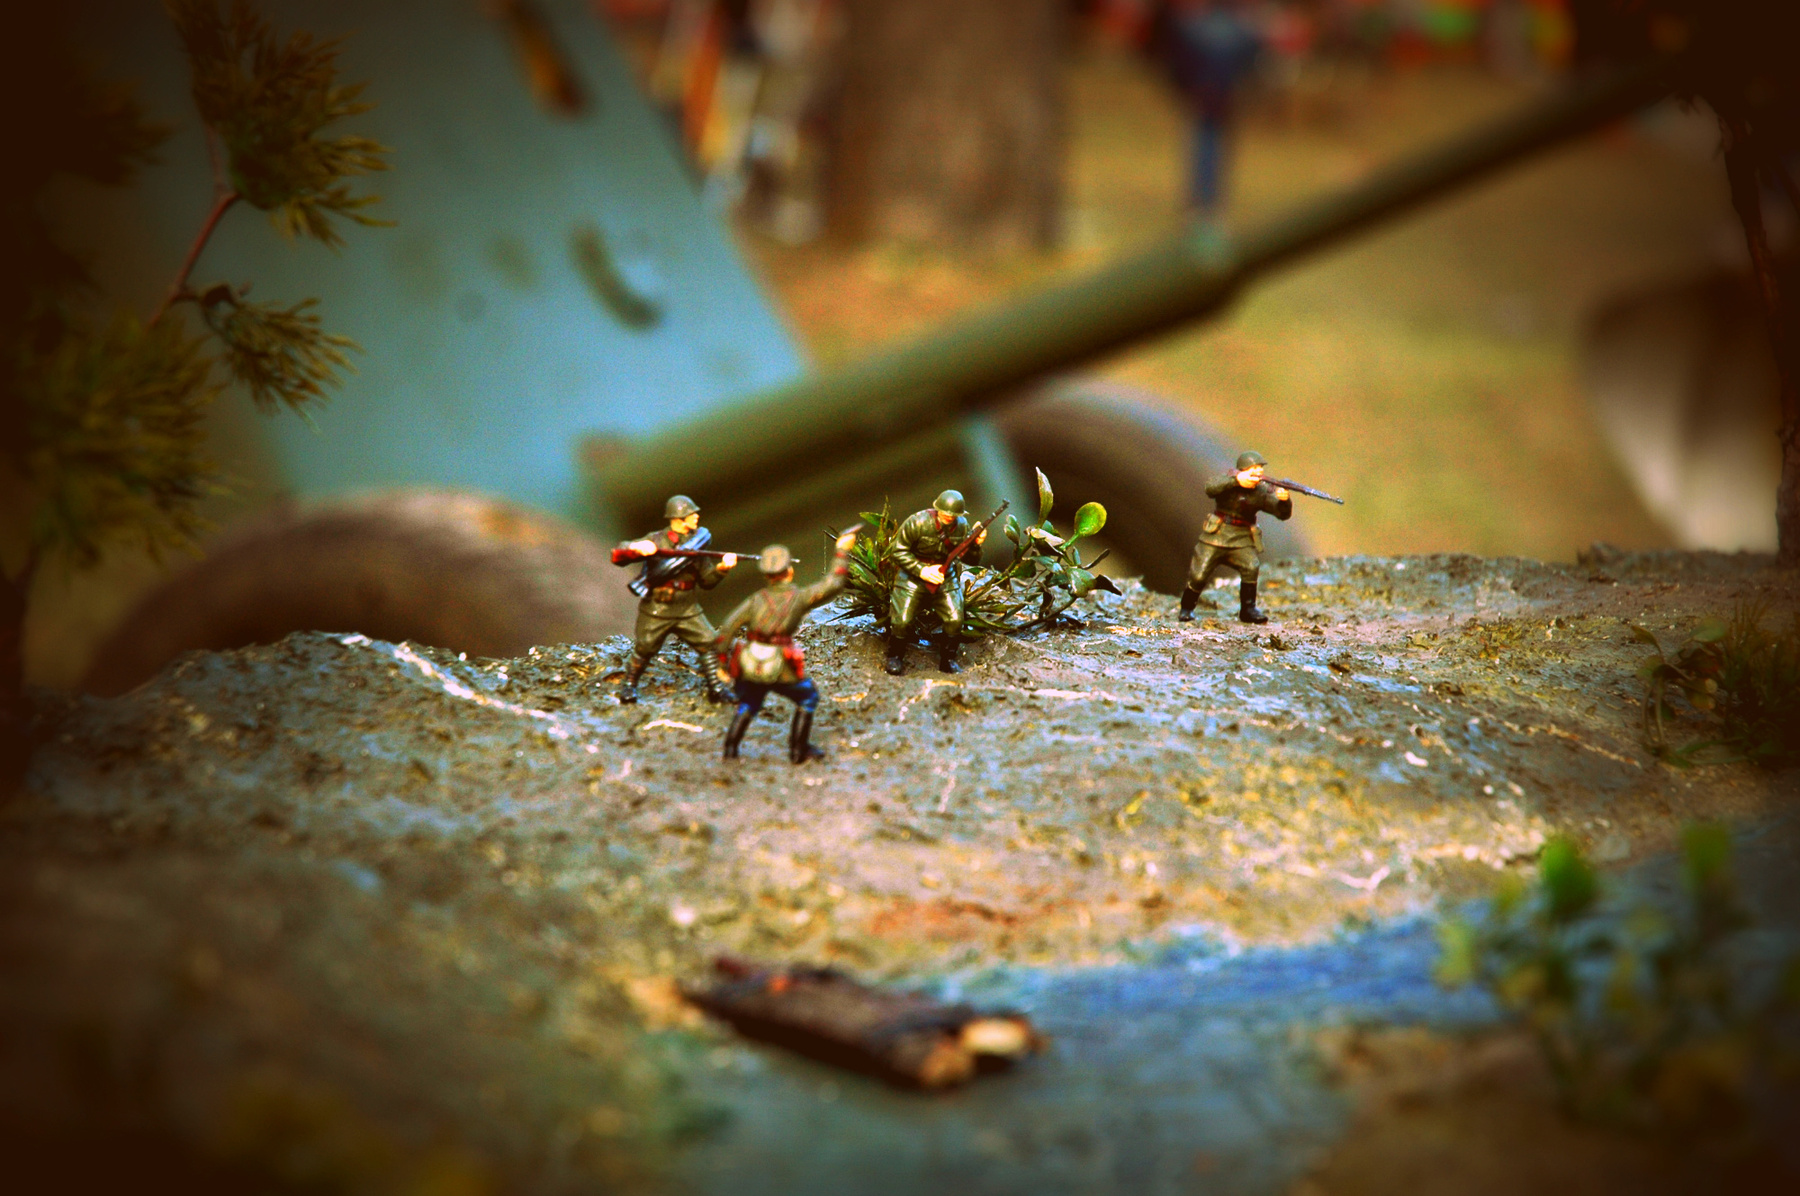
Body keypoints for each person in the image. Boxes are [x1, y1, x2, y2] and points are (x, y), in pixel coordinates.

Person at [714, 530, 859, 763]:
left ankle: (730, 750)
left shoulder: (755, 600)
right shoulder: (798, 598)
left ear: (766, 576)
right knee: (808, 697)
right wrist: (842, 550)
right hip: (780, 664)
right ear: (789, 572)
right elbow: (833, 584)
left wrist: (722, 663)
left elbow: (727, 629)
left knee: (749, 701)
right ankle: (798, 751)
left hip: (751, 660)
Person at [610, 494, 737, 703]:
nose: (696, 516)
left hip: (687, 608)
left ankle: (716, 687)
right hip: (658, 607)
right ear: (678, 518)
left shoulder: (697, 543)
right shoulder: (656, 539)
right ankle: (629, 685)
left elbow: (706, 581)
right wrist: (636, 548)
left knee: (708, 642)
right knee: (645, 647)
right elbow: (619, 553)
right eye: (691, 513)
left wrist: (722, 568)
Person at [1151, 0, 1262, 218]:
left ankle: (1205, 201)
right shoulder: (1197, 28)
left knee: (1209, 137)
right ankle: (1205, 201)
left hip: (1214, 91)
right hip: (1209, 90)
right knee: (1207, 137)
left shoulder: (1230, 30)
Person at [1179, 450, 1290, 624]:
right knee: (1199, 575)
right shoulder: (1228, 482)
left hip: (1241, 539)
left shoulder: (1261, 491)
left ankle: (1248, 609)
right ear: (1243, 469)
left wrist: (1284, 501)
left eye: (1260, 468)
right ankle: (1187, 608)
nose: (1258, 472)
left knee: (1251, 566)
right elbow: (1210, 488)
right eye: (1254, 468)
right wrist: (1236, 481)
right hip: (1216, 536)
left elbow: (1281, 514)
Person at [884, 489, 987, 676]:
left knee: (955, 619)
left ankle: (948, 660)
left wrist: (975, 544)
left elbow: (972, 560)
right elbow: (898, 551)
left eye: (953, 514)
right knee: (902, 620)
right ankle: (895, 656)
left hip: (945, 577)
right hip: (913, 576)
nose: (949, 516)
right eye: (945, 512)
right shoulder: (917, 522)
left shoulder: (962, 527)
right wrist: (921, 570)